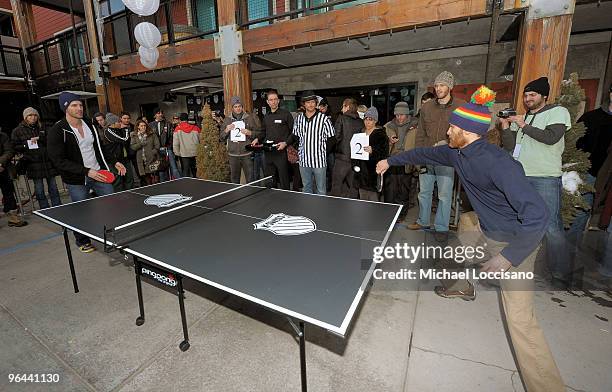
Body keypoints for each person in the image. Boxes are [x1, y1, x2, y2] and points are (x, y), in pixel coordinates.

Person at [377, 86, 565, 392]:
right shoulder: (457, 151)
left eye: (452, 127)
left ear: (467, 131)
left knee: (521, 324)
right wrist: (389, 161)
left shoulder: (498, 164)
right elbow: (424, 152)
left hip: (516, 242)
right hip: (486, 227)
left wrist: (506, 258)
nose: (447, 130)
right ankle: (463, 286)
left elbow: (538, 216)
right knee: (464, 226)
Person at [500, 76, 572, 286]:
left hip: (545, 178)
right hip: (521, 177)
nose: (528, 98)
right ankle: (519, 267)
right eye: (526, 95)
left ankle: (561, 276)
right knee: (521, 224)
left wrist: (522, 124)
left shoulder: (557, 112)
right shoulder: (522, 118)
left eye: (533, 95)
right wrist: (506, 127)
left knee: (551, 227)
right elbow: (510, 147)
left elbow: (551, 137)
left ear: (544, 96)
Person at [47, 92, 126, 253]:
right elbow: (58, 160)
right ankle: (82, 240)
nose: (79, 108)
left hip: (99, 173)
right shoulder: (57, 130)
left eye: (80, 105)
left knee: (111, 205)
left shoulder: (89, 124)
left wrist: (114, 161)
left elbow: (99, 147)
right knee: (81, 212)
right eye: (74, 105)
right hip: (77, 179)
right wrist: (86, 171)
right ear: (65, 107)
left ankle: (111, 237)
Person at [411, 71, 465, 239]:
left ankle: (441, 227)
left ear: (450, 86)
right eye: (436, 85)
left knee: (444, 194)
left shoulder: (460, 106)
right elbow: (420, 133)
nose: (438, 88)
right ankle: (423, 221)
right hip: (427, 156)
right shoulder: (426, 107)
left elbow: (464, 133)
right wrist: (418, 155)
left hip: (447, 158)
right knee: (424, 192)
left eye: (442, 85)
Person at [11, 107, 61, 209]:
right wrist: (26, 144)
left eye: (34, 115)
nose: (33, 117)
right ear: (25, 117)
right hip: (33, 163)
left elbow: (53, 139)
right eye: (30, 115)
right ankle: (45, 209)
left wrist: (40, 138)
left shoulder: (44, 127)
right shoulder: (18, 130)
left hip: (47, 161)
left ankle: (58, 206)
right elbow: (14, 146)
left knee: (53, 187)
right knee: (39, 189)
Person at [292, 91, 335, 195]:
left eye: (312, 102)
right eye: (307, 102)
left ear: (316, 103)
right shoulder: (299, 119)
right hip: (304, 161)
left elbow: (332, 139)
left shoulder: (324, 119)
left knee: (321, 189)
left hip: (319, 161)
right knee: (306, 188)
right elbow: (296, 136)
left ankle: (321, 210)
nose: (310, 104)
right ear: (304, 104)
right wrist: (301, 150)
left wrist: (323, 153)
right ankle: (308, 210)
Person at [254, 90, 295, 189]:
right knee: (270, 180)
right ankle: (272, 200)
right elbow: (263, 132)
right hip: (268, 152)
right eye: (271, 100)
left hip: (281, 152)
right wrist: (257, 139)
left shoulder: (286, 114)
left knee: (284, 179)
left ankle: (286, 199)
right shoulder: (266, 116)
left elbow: (294, 132)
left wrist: (285, 143)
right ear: (268, 102)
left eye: (275, 99)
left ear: (278, 100)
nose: (273, 102)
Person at [383, 101, 417, 219]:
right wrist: (389, 141)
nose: (399, 117)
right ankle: (389, 213)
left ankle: (401, 215)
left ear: (407, 114)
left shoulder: (415, 126)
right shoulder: (388, 126)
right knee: (390, 190)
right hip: (392, 161)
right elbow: (382, 146)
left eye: (402, 115)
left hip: (407, 161)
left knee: (404, 190)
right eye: (397, 115)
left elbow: (418, 144)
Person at [220, 96, 262, 183]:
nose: (238, 108)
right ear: (232, 108)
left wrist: (249, 132)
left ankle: (251, 195)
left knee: (250, 179)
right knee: (234, 180)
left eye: (239, 106)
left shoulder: (250, 118)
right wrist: (227, 130)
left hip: (247, 153)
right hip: (233, 155)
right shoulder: (227, 120)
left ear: (242, 107)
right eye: (235, 106)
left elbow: (259, 133)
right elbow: (221, 137)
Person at [353, 107, 388, 201]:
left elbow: (384, 154)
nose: (367, 122)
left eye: (370, 119)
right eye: (366, 119)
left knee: (373, 202)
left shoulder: (381, 135)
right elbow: (354, 152)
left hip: (373, 173)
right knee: (362, 200)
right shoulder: (360, 133)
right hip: (361, 174)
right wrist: (355, 166)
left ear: (375, 121)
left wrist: (373, 150)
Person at [331, 97, 362, 198]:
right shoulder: (361, 121)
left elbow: (336, 137)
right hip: (356, 159)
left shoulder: (341, 119)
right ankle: (352, 208)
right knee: (353, 186)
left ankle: (335, 207)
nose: (341, 109)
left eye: (343, 107)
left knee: (337, 185)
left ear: (347, 107)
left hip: (342, 159)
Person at [0, 129, 27, 227]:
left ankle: (13, 217)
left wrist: (1, 163)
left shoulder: (3, 136)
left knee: (9, 193)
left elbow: (9, 151)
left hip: (3, 168)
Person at [101, 113, 134, 191]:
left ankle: (131, 195)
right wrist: (126, 130)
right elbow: (123, 140)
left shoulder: (119, 130)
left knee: (129, 179)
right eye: (119, 122)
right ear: (113, 123)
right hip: (115, 160)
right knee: (118, 181)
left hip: (124, 158)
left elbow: (126, 142)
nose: (120, 123)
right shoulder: (108, 131)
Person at [131, 120, 160, 186]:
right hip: (141, 160)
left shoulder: (152, 134)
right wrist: (141, 143)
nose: (143, 127)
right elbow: (133, 147)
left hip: (152, 159)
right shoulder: (134, 135)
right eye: (141, 126)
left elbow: (157, 146)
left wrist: (152, 153)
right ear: (138, 127)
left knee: (154, 177)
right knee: (145, 178)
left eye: (144, 125)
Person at [148, 108, 172, 182]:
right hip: (156, 150)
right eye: (158, 113)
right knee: (160, 168)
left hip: (167, 148)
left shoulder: (167, 123)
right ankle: (163, 184)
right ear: (155, 115)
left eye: (161, 113)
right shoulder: (150, 125)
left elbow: (170, 136)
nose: (161, 114)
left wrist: (169, 146)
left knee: (172, 166)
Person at [173, 113, 200, 177]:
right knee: (195, 170)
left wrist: (177, 153)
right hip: (196, 153)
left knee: (185, 171)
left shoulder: (177, 129)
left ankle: (187, 185)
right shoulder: (196, 128)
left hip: (184, 154)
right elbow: (201, 140)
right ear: (187, 119)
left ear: (180, 119)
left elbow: (175, 143)